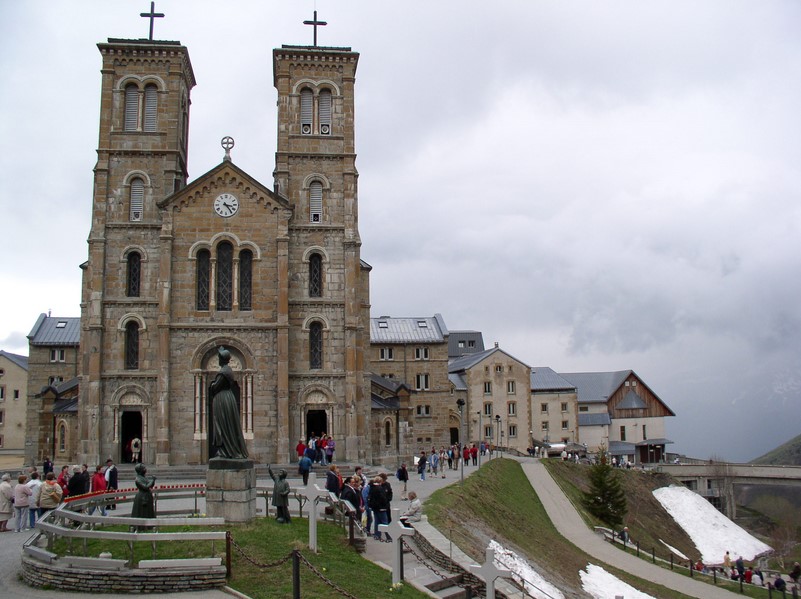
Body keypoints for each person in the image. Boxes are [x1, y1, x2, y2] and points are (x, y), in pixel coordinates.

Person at [208, 346, 248, 460]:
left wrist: (211, 385)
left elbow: (215, 387)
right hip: (225, 399)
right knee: (225, 424)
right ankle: (225, 450)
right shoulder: (227, 370)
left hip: (223, 401)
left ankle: (226, 450)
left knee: (223, 424)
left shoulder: (224, 372)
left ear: (221, 359)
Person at [368, 476, 390, 540]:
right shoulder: (379, 488)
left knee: (377, 521)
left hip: (375, 507)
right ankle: (388, 535)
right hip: (381, 507)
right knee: (384, 521)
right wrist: (385, 503)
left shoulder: (372, 488)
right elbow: (382, 498)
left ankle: (377, 534)